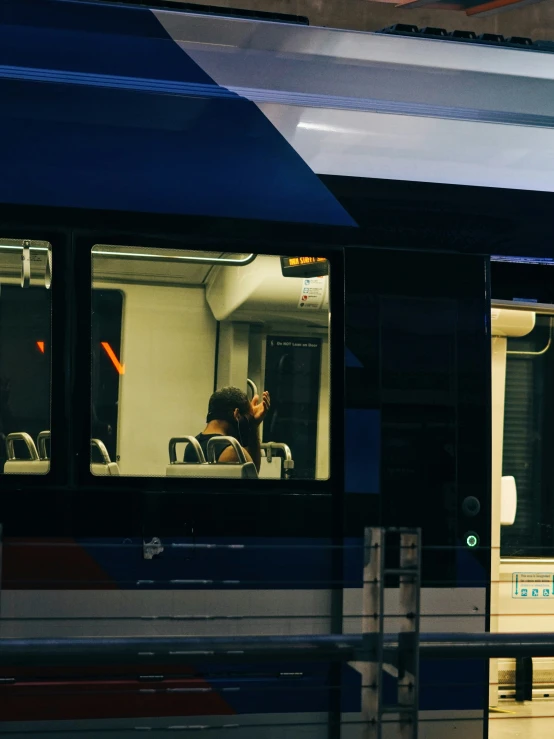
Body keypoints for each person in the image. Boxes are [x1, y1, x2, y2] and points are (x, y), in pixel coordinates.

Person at [184, 386, 270, 472]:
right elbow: (253, 475)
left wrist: (252, 422)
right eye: (248, 419)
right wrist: (253, 425)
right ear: (237, 414)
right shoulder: (233, 452)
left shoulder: (192, 447)